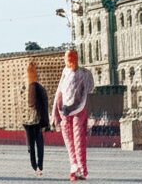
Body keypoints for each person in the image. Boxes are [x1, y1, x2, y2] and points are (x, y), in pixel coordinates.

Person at [52, 49, 94, 182]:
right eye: (67, 57)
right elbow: (59, 91)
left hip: (78, 110)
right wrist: (55, 112)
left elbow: (88, 92)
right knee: (71, 141)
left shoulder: (84, 74)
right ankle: (75, 168)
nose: (69, 60)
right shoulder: (66, 72)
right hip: (65, 111)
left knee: (77, 141)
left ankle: (80, 170)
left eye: (70, 57)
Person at [22, 60, 50, 178]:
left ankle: (35, 167)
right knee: (39, 144)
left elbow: (31, 103)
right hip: (39, 120)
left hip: (30, 121)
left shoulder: (31, 87)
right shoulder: (40, 87)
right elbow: (44, 103)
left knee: (31, 146)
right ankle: (40, 166)